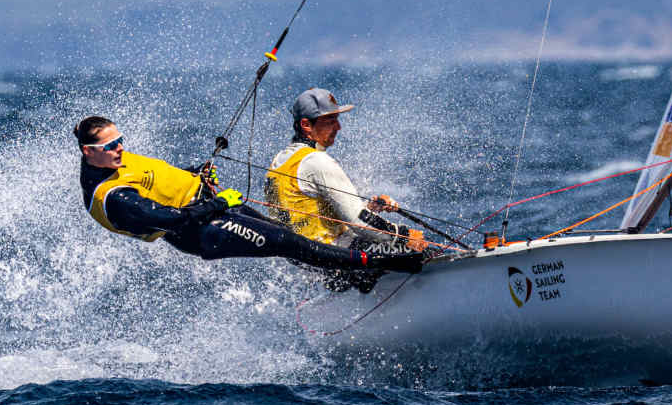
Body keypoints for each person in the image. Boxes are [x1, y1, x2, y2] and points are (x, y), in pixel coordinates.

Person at [75, 116, 422, 283]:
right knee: (286, 241)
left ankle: (342, 275)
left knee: (290, 240)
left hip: (209, 204)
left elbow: (156, 179)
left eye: (120, 139)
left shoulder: (113, 159)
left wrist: (196, 173)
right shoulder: (113, 199)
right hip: (200, 231)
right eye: (110, 146)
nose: (120, 148)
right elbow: (172, 219)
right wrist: (218, 203)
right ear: (90, 152)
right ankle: (376, 263)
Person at [265, 88, 429, 260]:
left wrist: (369, 208)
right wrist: (403, 235)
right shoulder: (316, 161)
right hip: (337, 258)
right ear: (306, 125)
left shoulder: (280, 160)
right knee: (422, 250)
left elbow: (304, 214)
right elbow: (359, 222)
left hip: (305, 261)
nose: (338, 127)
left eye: (337, 119)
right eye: (330, 120)